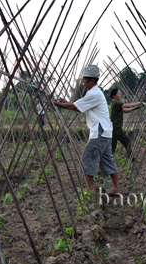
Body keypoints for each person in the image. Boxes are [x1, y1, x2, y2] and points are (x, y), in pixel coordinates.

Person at [51, 65, 121, 197]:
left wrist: (55, 103)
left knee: (88, 159)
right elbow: (78, 107)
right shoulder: (95, 93)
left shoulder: (94, 93)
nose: (82, 81)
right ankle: (116, 189)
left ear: (91, 80)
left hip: (99, 133)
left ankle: (90, 190)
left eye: (84, 79)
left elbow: (74, 106)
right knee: (108, 161)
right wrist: (65, 103)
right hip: (106, 133)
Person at [109, 88, 144, 158]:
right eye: (118, 94)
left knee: (127, 141)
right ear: (114, 96)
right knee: (112, 147)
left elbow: (125, 110)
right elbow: (128, 105)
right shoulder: (115, 104)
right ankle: (106, 161)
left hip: (118, 129)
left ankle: (130, 157)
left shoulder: (117, 105)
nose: (120, 95)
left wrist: (135, 108)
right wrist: (139, 103)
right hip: (114, 129)